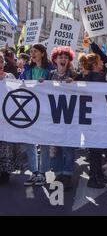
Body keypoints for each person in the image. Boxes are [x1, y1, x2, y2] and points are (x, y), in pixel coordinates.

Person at [76, 53, 107, 189]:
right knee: (95, 150)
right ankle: (93, 178)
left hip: (92, 117)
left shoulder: (87, 76)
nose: (103, 62)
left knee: (96, 149)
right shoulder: (96, 77)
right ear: (95, 64)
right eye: (100, 61)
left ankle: (98, 174)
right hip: (95, 118)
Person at [19, 44, 53, 187]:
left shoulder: (50, 70)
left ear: (43, 54)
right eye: (31, 52)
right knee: (29, 142)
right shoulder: (27, 69)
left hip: (45, 110)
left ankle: (43, 173)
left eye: (35, 52)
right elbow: (19, 83)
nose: (32, 54)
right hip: (29, 109)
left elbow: (55, 86)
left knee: (44, 142)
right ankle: (34, 172)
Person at [48, 47, 77, 190]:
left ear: (69, 60)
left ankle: (67, 176)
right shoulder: (49, 75)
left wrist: (75, 83)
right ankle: (58, 174)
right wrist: (41, 83)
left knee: (68, 149)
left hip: (69, 119)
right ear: (55, 60)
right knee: (55, 150)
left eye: (66, 57)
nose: (63, 59)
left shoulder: (74, 75)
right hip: (53, 120)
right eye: (60, 57)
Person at [0, 53, 19, 185]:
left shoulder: (10, 77)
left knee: (6, 146)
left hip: (7, 118)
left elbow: (18, 93)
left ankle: (5, 173)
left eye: (1, 61)